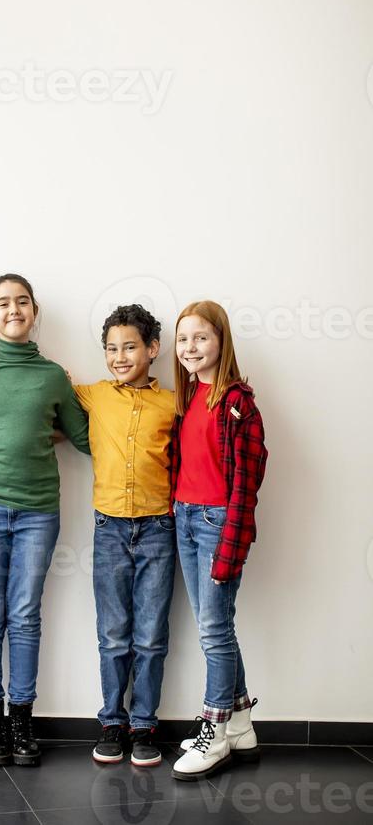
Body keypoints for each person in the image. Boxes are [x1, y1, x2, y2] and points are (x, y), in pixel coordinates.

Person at [0, 273, 90, 767]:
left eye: (22, 302)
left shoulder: (54, 375)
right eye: (3, 303)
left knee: (25, 615)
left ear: (34, 312)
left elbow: (82, 437)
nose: (14, 309)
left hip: (38, 512)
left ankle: (21, 718)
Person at [72, 305, 176, 768]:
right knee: (113, 633)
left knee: (151, 635)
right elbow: (39, 395)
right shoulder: (92, 395)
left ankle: (144, 724)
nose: (119, 356)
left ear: (152, 349)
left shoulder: (174, 403)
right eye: (111, 348)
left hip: (159, 528)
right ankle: (112, 721)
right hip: (108, 528)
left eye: (130, 346)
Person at [170, 301, 267, 781]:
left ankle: (215, 732)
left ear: (221, 341)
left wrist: (231, 541)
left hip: (216, 523)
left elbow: (246, 485)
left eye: (201, 337)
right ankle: (242, 722)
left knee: (213, 630)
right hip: (184, 518)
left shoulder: (237, 403)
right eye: (183, 338)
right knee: (218, 626)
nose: (191, 347)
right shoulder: (188, 396)